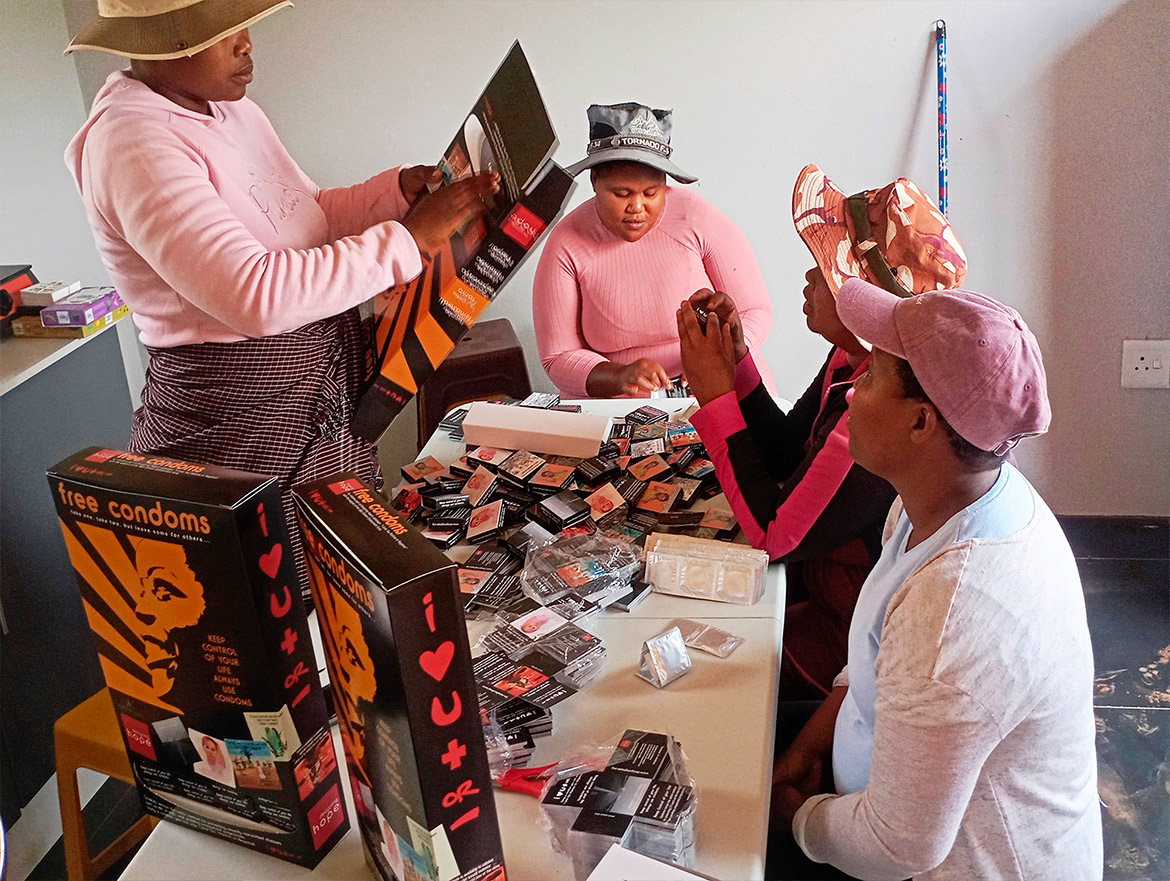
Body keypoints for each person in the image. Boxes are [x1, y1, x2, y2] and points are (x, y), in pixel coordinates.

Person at [64, 0, 498, 599]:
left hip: (312, 397)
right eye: (221, 33)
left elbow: (307, 215)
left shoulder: (227, 108)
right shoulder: (131, 142)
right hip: (237, 423)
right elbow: (256, 295)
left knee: (341, 601)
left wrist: (396, 194)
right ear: (160, 42)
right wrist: (409, 240)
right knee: (264, 608)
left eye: (241, 25)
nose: (246, 43)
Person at [770, 278, 1102, 880]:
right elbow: (873, 663)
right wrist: (806, 749)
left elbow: (897, 846)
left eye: (871, 376)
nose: (850, 391)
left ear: (922, 423)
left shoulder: (956, 610)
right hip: (880, 801)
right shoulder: (936, 499)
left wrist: (796, 817)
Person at [677, 164, 967, 699]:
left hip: (848, 640)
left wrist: (715, 398)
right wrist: (736, 363)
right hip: (813, 586)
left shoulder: (878, 410)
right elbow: (790, 452)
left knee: (694, 674)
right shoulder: (852, 360)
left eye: (825, 270)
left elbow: (773, 536)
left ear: (865, 302)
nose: (810, 278)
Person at [533, 102, 774, 398]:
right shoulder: (567, 241)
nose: (637, 207)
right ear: (594, 181)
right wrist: (619, 375)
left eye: (651, 193)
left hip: (717, 379)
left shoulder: (694, 216)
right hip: (616, 396)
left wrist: (720, 357)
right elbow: (557, 355)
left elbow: (755, 310)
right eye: (621, 194)